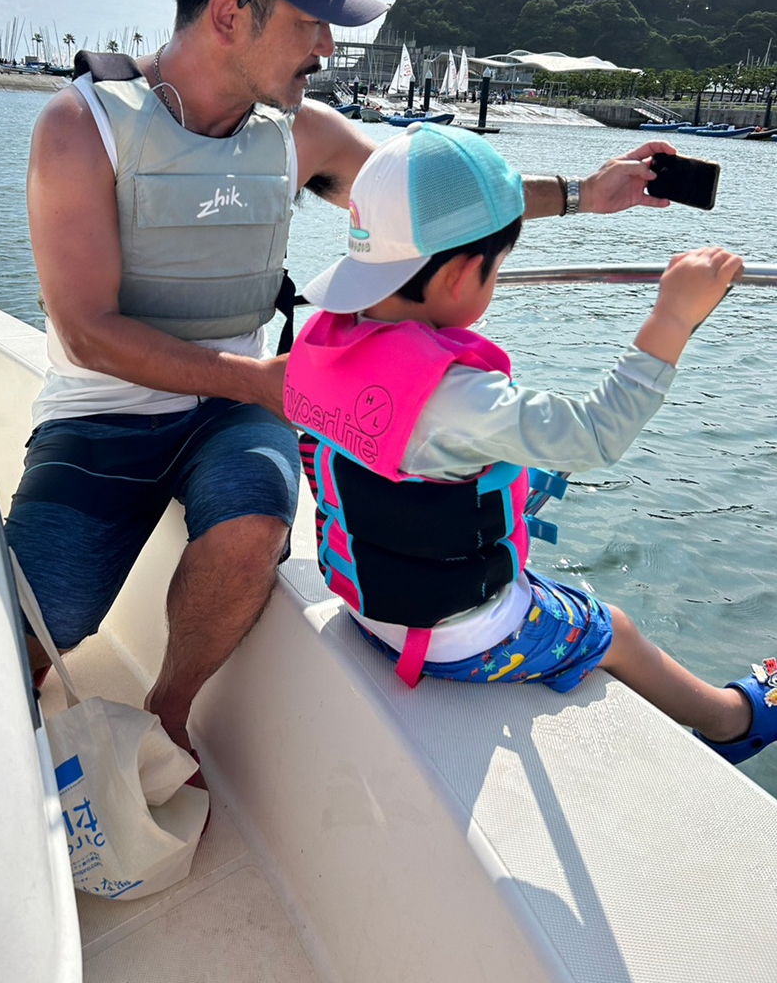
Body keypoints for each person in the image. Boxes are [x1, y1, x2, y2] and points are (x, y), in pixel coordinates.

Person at [5, 0, 683, 763]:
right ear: (229, 15)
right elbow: (87, 330)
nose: (327, 48)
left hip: (233, 416)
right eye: (310, 23)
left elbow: (440, 201)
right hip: (101, 413)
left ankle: (168, 717)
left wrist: (585, 194)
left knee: (253, 529)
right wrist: (259, 382)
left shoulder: (302, 134)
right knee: (32, 628)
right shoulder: (80, 126)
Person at [284, 124, 776, 765]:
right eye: (496, 268)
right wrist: (673, 317)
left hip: (368, 607)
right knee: (615, 629)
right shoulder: (456, 398)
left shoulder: (322, 345)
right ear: (464, 276)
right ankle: (733, 719)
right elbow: (596, 434)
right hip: (454, 640)